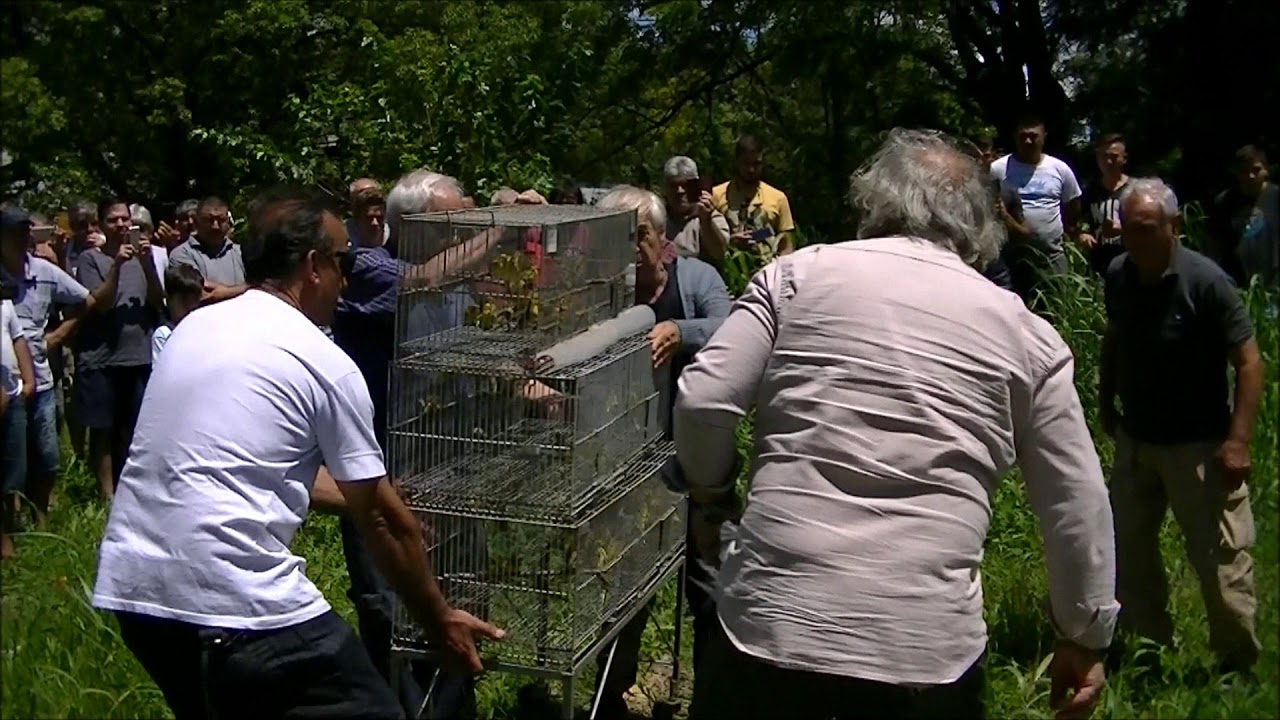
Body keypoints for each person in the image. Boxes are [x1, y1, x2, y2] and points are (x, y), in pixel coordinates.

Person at [674, 129, 1116, 719]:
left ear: (875, 202)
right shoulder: (1027, 335)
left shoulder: (796, 277)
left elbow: (703, 400)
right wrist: (1084, 635)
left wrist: (713, 499)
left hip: (770, 624)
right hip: (924, 656)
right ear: (979, 223)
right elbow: (1076, 503)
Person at [90, 187, 503, 720]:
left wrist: (389, 504)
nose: (348, 279)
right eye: (341, 262)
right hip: (238, 604)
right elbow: (377, 518)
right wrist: (440, 620)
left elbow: (248, 468)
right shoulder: (321, 359)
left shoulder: (196, 330)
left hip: (139, 596)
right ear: (313, 267)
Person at [1100, 177, 1264, 676]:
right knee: (1129, 550)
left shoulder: (1205, 282)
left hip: (1200, 445)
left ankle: (1236, 664)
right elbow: (1115, 341)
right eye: (1126, 229)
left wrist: (1237, 440)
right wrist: (1106, 402)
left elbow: (1250, 362)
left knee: (1219, 559)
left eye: (1146, 229)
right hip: (1138, 439)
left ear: (1173, 227)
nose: (1134, 239)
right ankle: (1147, 649)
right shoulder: (1119, 275)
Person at [590, 185, 731, 720]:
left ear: (662, 237)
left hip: (699, 469)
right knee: (624, 598)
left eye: (639, 235)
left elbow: (734, 327)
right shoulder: (600, 294)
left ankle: (714, 704)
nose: (630, 248)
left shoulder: (697, 280)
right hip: (627, 471)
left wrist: (681, 329)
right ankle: (609, 704)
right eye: (616, 238)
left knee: (712, 591)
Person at [1, 206, 93, 522]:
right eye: (13, 232)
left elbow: (86, 300)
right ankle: (12, 522)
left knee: (48, 457)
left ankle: (39, 517)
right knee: (11, 459)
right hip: (5, 383)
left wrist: (59, 334)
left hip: (39, 378)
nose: (21, 238)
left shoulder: (44, 271)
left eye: (24, 231)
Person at [74, 198, 165, 500]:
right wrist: (117, 266)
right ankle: (106, 495)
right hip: (102, 357)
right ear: (101, 225)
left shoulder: (142, 258)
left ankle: (131, 489)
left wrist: (147, 264)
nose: (122, 225)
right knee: (103, 430)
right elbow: (99, 303)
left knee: (134, 428)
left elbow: (157, 300)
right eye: (113, 220)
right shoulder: (91, 259)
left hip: (137, 355)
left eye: (126, 219)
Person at [990, 113, 1084, 302]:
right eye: (1023, 135)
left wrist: (1067, 231)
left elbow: (1073, 205)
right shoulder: (998, 169)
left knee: (1056, 309)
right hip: (1012, 258)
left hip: (1051, 256)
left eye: (1033, 136)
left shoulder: (1059, 169)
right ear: (1015, 137)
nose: (1028, 140)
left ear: (1044, 136)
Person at [711, 135, 797, 256]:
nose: (751, 169)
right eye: (746, 163)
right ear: (736, 162)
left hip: (768, 268)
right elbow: (707, 240)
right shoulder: (716, 195)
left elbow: (786, 245)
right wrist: (730, 241)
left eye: (756, 163)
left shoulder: (778, 198)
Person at [1, 275, 37, 561]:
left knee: (15, 468)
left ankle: (12, 528)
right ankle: (5, 543)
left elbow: (18, 339)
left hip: (12, 395)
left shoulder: (5, 305)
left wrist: (28, 379)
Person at [1210, 145, 1278, 287]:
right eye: (1244, 171)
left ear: (1266, 170)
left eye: (1256, 170)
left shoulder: (1276, 197)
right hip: (1236, 285)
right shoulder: (1225, 202)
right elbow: (1215, 246)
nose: (1250, 176)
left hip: (1273, 285)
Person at [969, 135, 1027, 291]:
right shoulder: (956, 191)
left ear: (993, 158)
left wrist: (1005, 215)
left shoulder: (1007, 191)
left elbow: (1025, 233)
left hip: (1000, 268)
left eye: (985, 156)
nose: (980, 161)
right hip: (968, 265)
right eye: (975, 156)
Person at [169, 196, 247, 303]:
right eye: (209, 220)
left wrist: (226, 292)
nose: (215, 226)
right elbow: (199, 294)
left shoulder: (241, 253)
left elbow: (261, 288)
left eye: (221, 220)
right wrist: (244, 288)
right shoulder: (181, 254)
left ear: (228, 223)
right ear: (196, 222)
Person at [661, 156, 732, 267]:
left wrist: (706, 221)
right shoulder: (657, 219)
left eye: (685, 185)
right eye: (673, 186)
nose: (679, 191)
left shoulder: (711, 218)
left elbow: (719, 252)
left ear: (696, 186)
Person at [1079, 133, 1131, 276]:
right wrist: (1084, 235)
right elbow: (1082, 222)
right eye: (1103, 156)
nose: (1108, 162)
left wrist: (1122, 229)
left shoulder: (1136, 190)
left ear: (1124, 158)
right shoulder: (1090, 192)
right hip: (1099, 265)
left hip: (1132, 261)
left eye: (1114, 157)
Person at [151, 264, 204, 364]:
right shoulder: (164, 335)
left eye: (194, 301)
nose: (189, 309)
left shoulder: (203, 330)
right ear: (169, 299)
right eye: (184, 302)